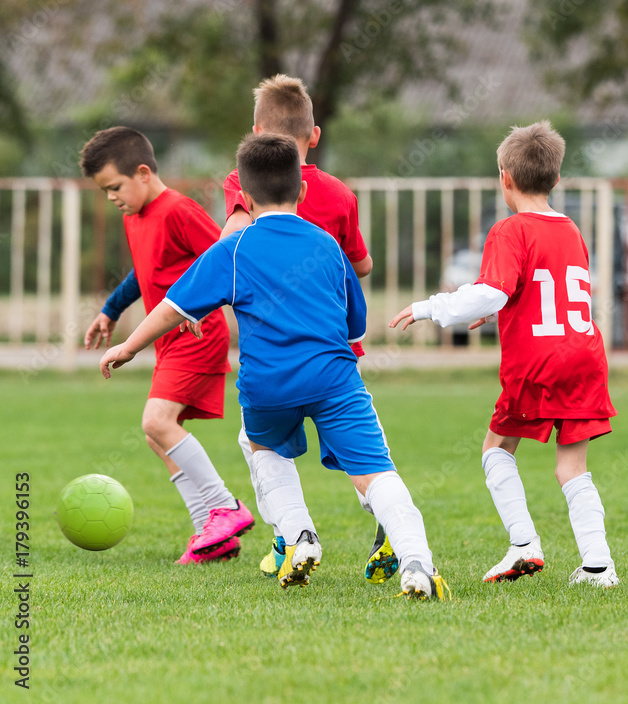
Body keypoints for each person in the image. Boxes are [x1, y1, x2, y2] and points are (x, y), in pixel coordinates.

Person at [100, 133, 449, 598]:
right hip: (334, 380)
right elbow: (354, 323)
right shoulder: (327, 245)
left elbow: (173, 306)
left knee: (264, 449)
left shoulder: (236, 248)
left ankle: (299, 533)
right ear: (302, 191)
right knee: (374, 473)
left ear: (242, 196)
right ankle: (417, 563)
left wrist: (129, 345)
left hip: (267, 385)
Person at [390, 121, 619, 588]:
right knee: (572, 467)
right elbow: (545, 292)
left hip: (538, 362)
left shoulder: (509, 230)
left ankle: (524, 544)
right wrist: (501, 309)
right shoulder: (571, 228)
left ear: (504, 179)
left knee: (496, 449)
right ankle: (599, 565)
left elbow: (493, 291)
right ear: (556, 180)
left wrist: (428, 308)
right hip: (585, 356)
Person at [218, 74, 392, 585]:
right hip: (337, 352)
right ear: (313, 136)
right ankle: (388, 520)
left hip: (273, 353)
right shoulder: (338, 194)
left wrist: (204, 291)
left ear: (254, 133)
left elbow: (231, 239)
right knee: (359, 454)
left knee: (259, 441)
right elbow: (361, 264)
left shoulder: (242, 182)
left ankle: (289, 536)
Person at [80, 126, 254, 564]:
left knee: (157, 421)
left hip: (197, 334)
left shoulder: (179, 210)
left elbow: (221, 261)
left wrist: (201, 308)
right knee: (156, 434)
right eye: (105, 191)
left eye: (115, 187)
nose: (112, 198)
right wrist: (111, 310)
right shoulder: (134, 216)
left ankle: (226, 507)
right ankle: (211, 536)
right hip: (167, 341)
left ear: (142, 173)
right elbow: (144, 273)